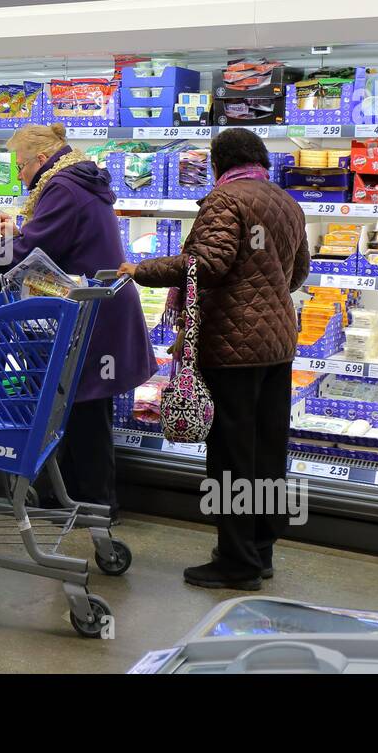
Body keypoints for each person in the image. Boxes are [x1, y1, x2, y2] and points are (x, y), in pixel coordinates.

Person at [120, 128, 309, 591]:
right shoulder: (285, 202)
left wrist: (140, 269)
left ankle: (235, 562)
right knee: (266, 452)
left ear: (218, 163)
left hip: (231, 346)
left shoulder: (225, 201)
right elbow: (298, 272)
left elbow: (205, 263)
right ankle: (259, 551)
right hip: (277, 344)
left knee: (230, 454)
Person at [0, 124, 155, 522]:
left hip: (92, 307)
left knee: (83, 407)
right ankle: (74, 498)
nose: (19, 176)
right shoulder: (75, 178)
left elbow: (37, 248)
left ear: (38, 160)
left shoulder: (63, 187)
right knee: (78, 404)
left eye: (19, 167)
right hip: (95, 303)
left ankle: (95, 503)